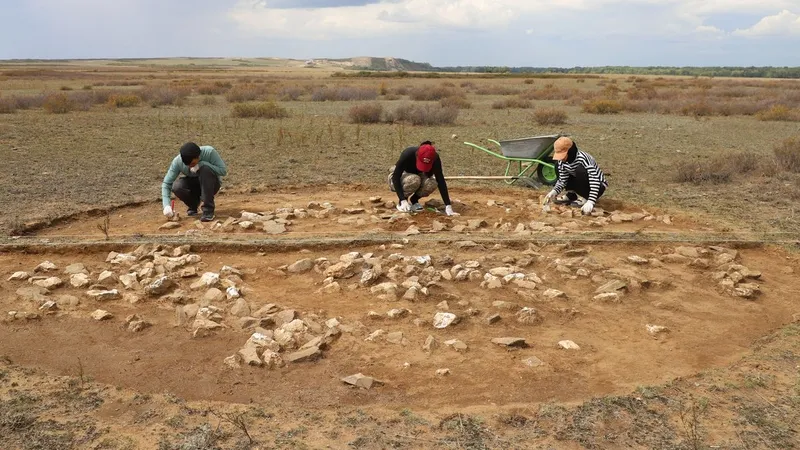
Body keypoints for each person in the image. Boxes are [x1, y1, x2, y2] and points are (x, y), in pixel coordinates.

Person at [161, 142, 228, 222]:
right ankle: (193, 205)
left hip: (212, 184)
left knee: (205, 170)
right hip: (195, 184)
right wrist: (166, 205)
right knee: (177, 186)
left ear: (198, 156)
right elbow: (167, 183)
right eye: (187, 165)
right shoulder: (178, 162)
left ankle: (208, 211)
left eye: (192, 163)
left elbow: (223, 171)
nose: (190, 166)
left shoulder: (209, 152)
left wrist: (202, 164)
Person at [389, 141, 459, 216]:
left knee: (431, 183)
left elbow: (440, 179)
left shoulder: (435, 158)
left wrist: (448, 205)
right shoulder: (408, 154)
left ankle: (414, 201)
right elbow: (395, 177)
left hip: (417, 175)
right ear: (417, 155)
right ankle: (402, 203)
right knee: (414, 180)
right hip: (397, 177)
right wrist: (402, 199)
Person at [544, 137, 607, 215]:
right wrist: (554, 191)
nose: (561, 158)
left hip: (598, 185)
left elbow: (594, 180)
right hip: (580, 181)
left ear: (570, 151)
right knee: (557, 166)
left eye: (563, 155)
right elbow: (562, 180)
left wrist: (591, 201)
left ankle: (585, 197)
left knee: (580, 170)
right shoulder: (562, 161)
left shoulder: (583, 159)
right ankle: (571, 195)